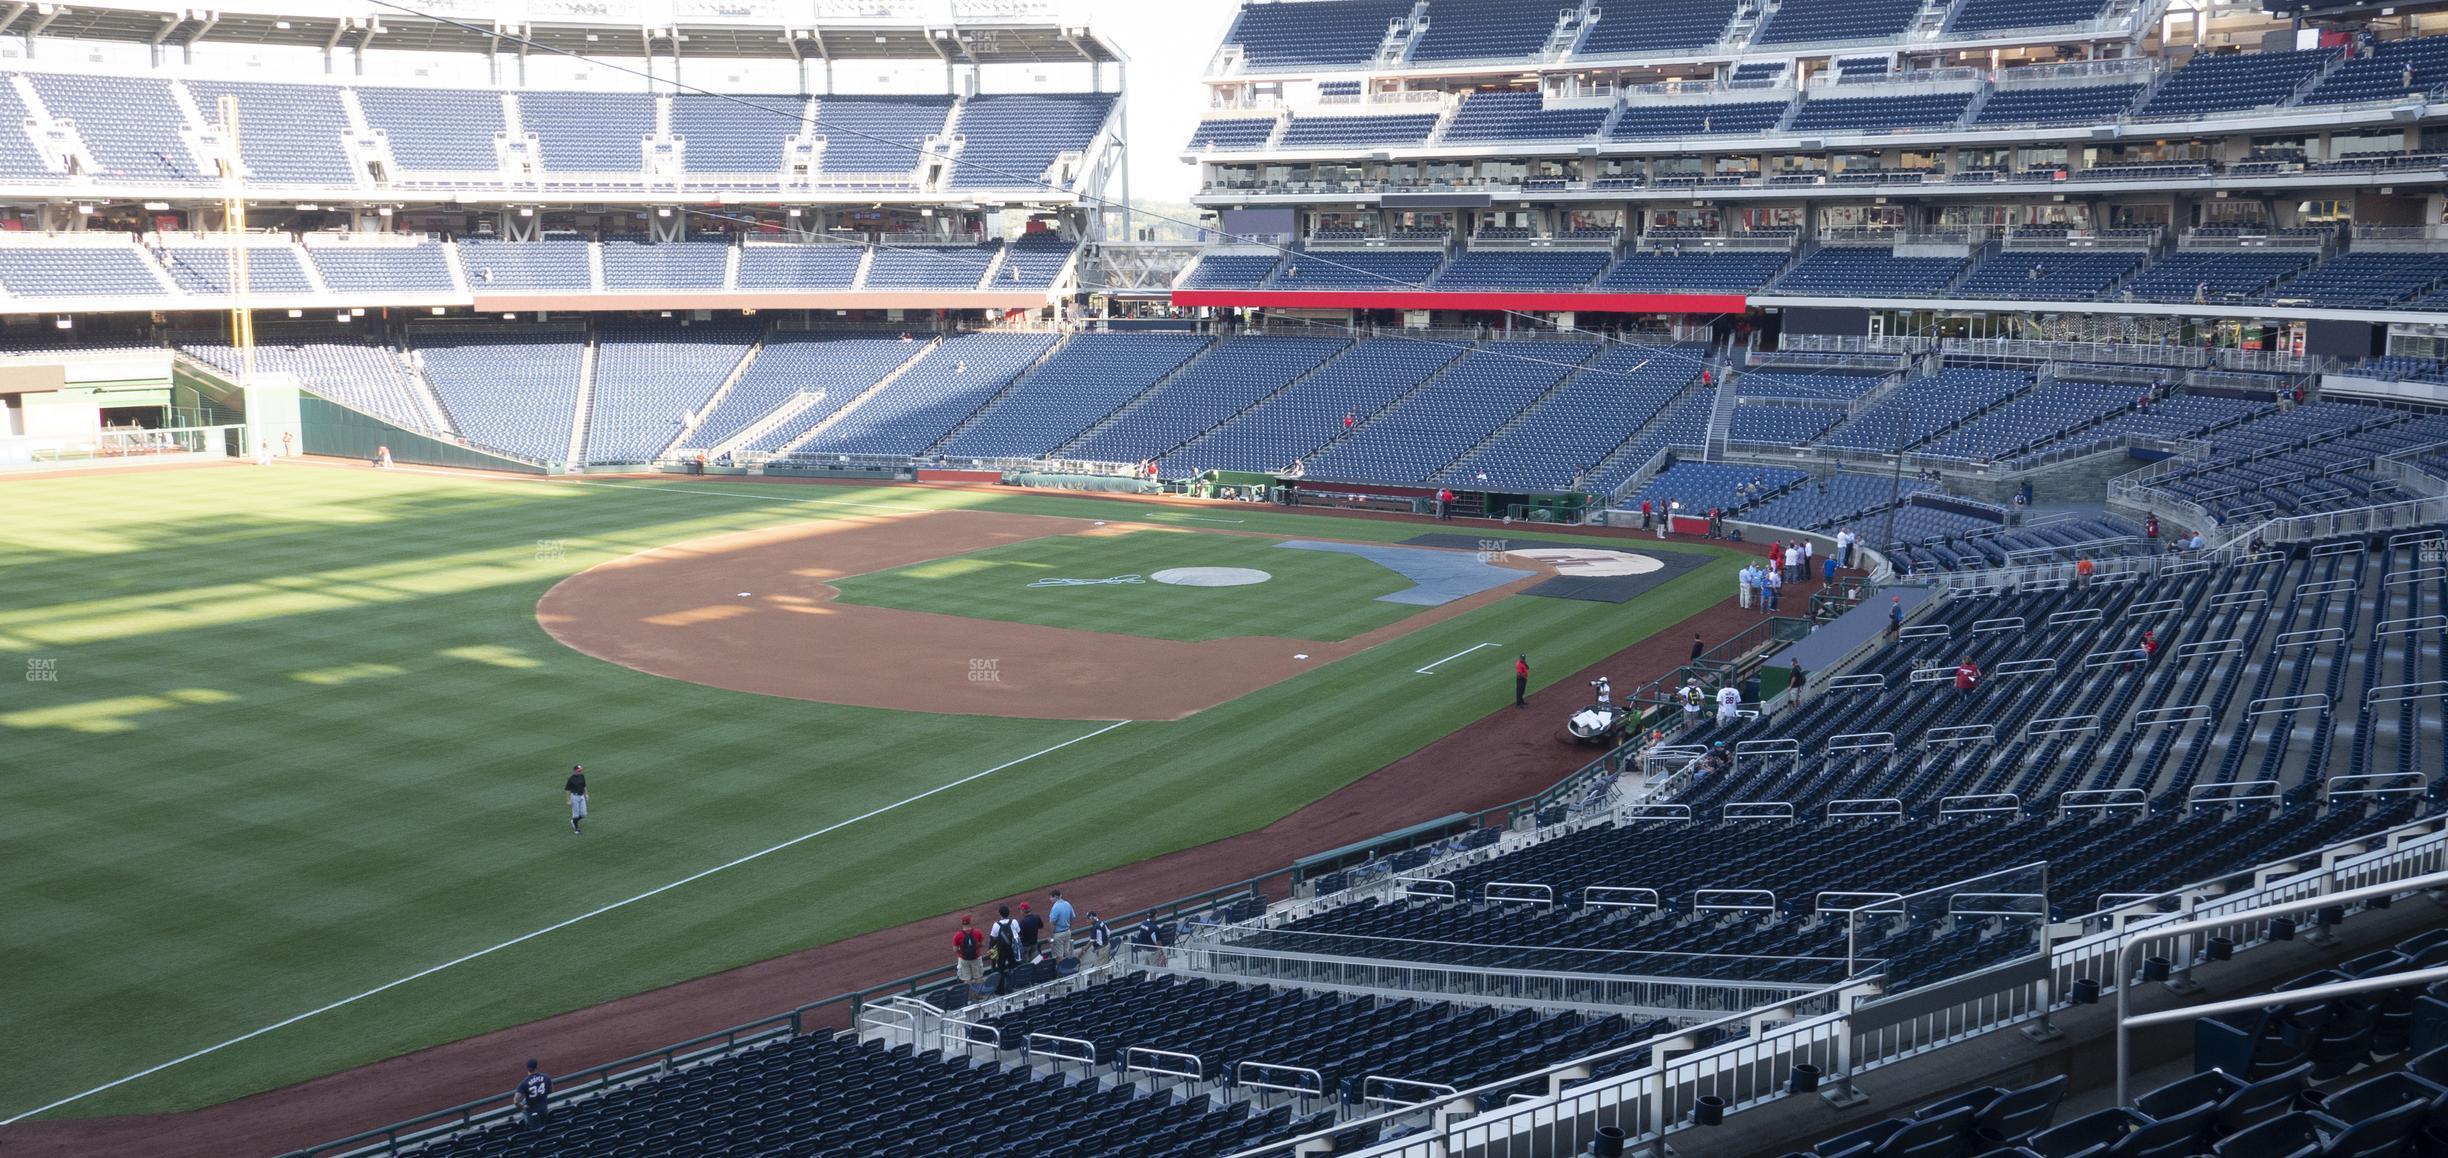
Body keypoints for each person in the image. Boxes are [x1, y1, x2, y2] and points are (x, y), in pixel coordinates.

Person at [988, 905, 1021, 987]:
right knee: (1013, 967)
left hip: (1001, 951)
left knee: (1000, 970)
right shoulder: (1014, 922)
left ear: (1000, 914)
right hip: (1013, 950)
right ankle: (1014, 985)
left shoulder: (996, 925)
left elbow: (992, 939)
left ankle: (1001, 989)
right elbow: (1019, 933)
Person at [952, 915, 987, 990]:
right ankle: (979, 995)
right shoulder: (977, 932)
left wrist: (962, 951)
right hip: (976, 957)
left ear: (962, 923)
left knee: (966, 979)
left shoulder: (958, 935)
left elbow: (955, 949)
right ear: (970, 922)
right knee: (978, 977)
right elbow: (983, 943)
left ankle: (970, 997)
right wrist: (976, 947)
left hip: (963, 959)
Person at [514, 1059, 551, 1128]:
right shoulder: (546, 1077)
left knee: (533, 1130)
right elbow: (550, 1091)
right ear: (536, 1067)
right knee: (544, 1128)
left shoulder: (524, 1083)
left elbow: (516, 1101)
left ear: (527, 1068)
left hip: (532, 1112)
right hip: (544, 1109)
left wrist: (523, 1107)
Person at [1048, 890, 1075, 963]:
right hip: (1067, 932)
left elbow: (1052, 923)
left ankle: (1063, 972)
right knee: (1067, 952)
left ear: (1056, 897)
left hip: (1058, 935)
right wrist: (1068, 927)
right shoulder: (1067, 904)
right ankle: (1070, 969)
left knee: (1059, 956)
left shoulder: (1055, 907)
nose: (1050, 899)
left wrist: (1051, 937)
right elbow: (1072, 917)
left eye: (1051, 897)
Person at [564, 765, 587, 835]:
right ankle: (577, 830)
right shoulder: (570, 779)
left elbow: (584, 786)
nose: (580, 772)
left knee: (584, 814)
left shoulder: (582, 776)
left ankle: (573, 821)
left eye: (580, 770)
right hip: (574, 797)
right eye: (578, 771)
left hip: (581, 796)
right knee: (576, 814)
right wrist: (568, 800)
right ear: (574, 771)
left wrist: (586, 794)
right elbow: (567, 790)